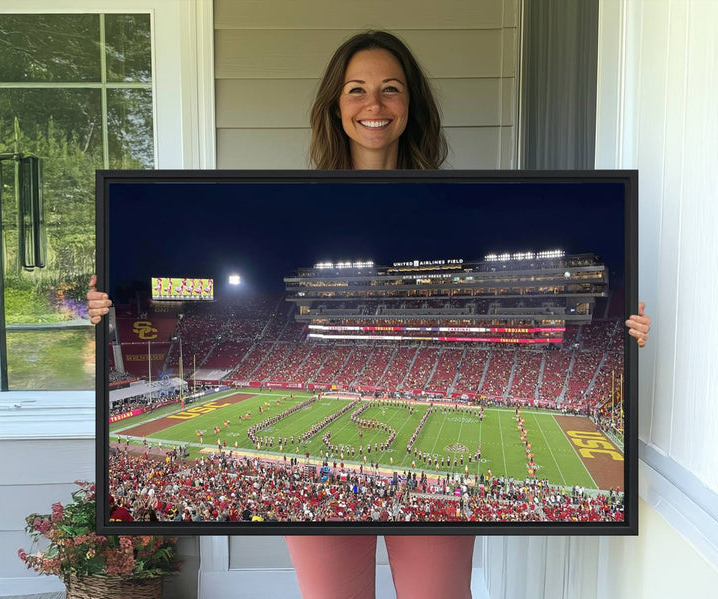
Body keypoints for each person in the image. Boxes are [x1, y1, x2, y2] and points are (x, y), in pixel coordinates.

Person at [88, 30, 650, 599]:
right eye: (356, 90)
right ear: (336, 104)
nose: (374, 105)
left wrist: (628, 333)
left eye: (391, 89)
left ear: (412, 105)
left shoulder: (458, 197)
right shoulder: (299, 200)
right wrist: (102, 310)